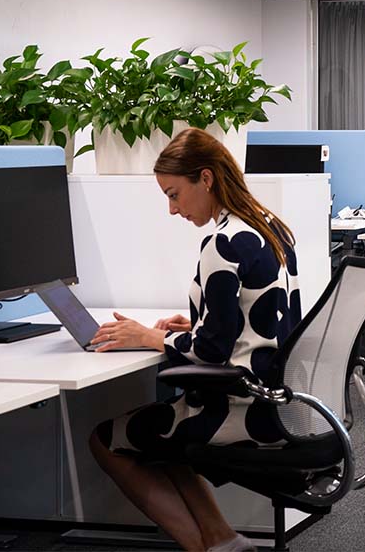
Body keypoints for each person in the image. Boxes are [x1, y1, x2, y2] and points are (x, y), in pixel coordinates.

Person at [87, 128, 301, 552]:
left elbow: (211, 353)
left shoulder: (221, 243)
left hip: (241, 406)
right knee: (162, 431)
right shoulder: (269, 226)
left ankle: (206, 549)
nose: (171, 209)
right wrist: (196, 322)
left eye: (174, 194)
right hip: (278, 399)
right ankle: (222, 540)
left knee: (106, 441)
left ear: (205, 179)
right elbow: (262, 313)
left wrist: (148, 337)